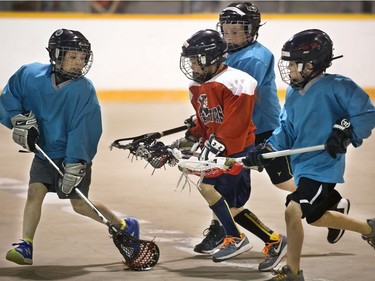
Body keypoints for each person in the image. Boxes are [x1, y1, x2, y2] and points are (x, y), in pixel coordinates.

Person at [193, 2, 350, 269]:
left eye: (237, 31)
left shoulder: (255, 57)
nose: (230, 36)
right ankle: (222, 227)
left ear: (251, 30)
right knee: (223, 180)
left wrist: (218, 120)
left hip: (259, 127)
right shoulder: (227, 54)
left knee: (280, 181)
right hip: (238, 128)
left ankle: (334, 201)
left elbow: (241, 99)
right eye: (227, 31)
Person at [243, 29, 375, 281]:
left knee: (293, 210)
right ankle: (370, 228)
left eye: (295, 63)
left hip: (324, 167)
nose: (289, 70)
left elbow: (366, 114)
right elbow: (286, 129)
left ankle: (292, 272)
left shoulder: (339, 86)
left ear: (313, 63)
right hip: (302, 166)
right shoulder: (294, 93)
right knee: (315, 217)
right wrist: (266, 149)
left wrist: (346, 132)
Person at [0, 28, 139, 265]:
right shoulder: (29, 75)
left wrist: (76, 162)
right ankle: (26, 245)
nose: (79, 63)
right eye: (73, 57)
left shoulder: (83, 90)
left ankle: (124, 225)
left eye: (83, 57)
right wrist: (17, 120)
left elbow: (84, 129)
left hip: (71, 157)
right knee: (35, 193)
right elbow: (10, 98)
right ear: (56, 54)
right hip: (44, 154)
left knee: (80, 206)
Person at [177, 28, 284, 264]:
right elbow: (206, 121)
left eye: (197, 60)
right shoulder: (197, 86)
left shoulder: (237, 82)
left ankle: (234, 238)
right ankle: (274, 240)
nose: (192, 65)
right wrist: (193, 136)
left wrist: (215, 148)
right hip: (221, 149)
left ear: (212, 58)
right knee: (232, 205)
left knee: (208, 188)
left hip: (236, 150)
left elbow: (237, 123)